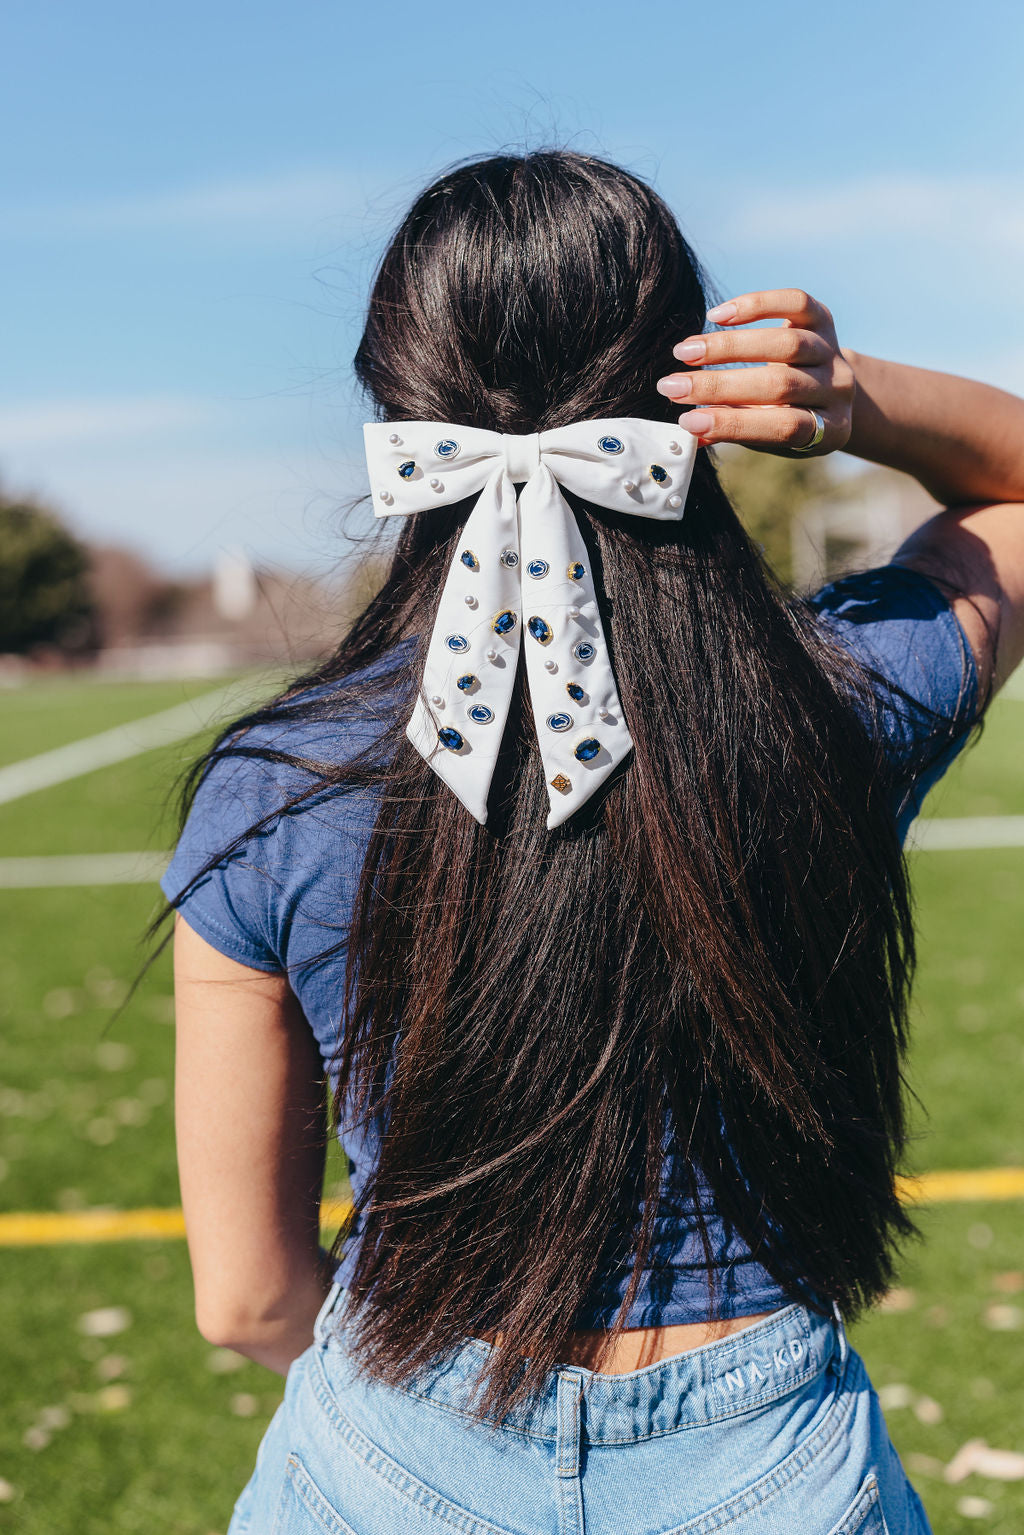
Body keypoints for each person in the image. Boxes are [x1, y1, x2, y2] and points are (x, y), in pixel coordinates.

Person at [162, 151, 1024, 1535]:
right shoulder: (842, 704)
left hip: (388, 1454)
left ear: (397, 405)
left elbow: (247, 1299)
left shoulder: (272, 786)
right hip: (777, 1471)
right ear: (697, 390)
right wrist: (852, 401)